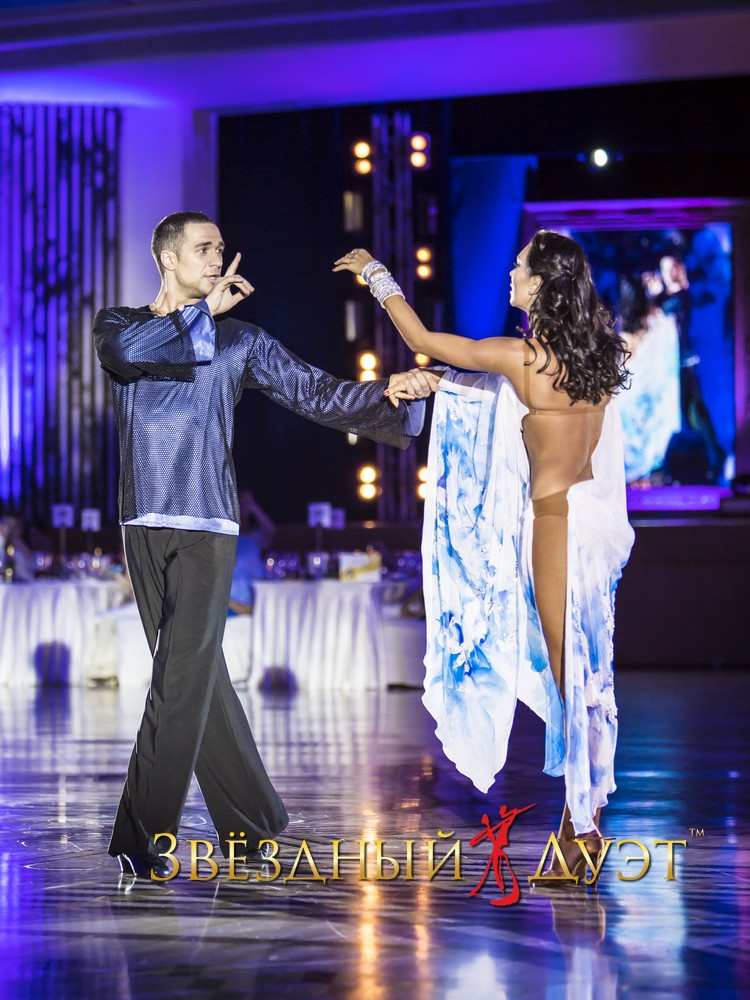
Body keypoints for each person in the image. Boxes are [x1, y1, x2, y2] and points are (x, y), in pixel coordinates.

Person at [94, 211, 432, 879]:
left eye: (220, 248)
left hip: (208, 526)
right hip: (142, 523)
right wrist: (199, 317)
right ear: (168, 259)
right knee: (199, 680)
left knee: (178, 679)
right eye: (203, 249)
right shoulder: (120, 326)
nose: (217, 259)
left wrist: (389, 397)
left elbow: (313, 391)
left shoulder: (239, 339)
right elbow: (127, 357)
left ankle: (143, 833)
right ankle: (249, 826)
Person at [334, 231, 635, 882]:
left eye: (521, 267)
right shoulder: (595, 358)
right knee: (580, 678)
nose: (511, 272)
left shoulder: (524, 357)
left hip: (554, 528)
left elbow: (423, 337)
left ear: (541, 285)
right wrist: (445, 383)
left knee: (569, 680)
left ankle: (584, 830)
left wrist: (377, 275)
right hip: (591, 530)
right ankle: (578, 824)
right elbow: (492, 393)